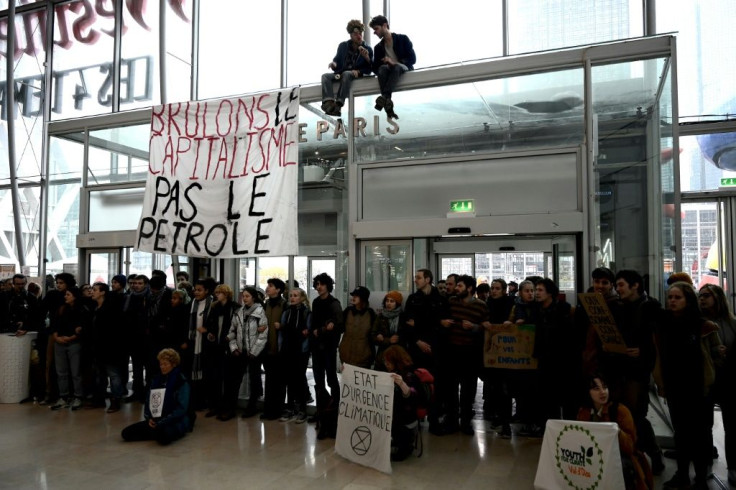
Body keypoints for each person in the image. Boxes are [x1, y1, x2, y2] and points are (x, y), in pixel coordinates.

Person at [658, 282, 723, 490]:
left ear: (688, 300)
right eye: (670, 297)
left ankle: (701, 477)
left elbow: (716, 355)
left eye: (677, 297)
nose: (672, 301)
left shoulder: (703, 325)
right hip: (676, 387)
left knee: (701, 434)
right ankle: (682, 474)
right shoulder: (664, 323)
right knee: (681, 433)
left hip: (700, 388)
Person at [577, 374, 653, 490]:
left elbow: (630, 448)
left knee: (620, 466)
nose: (603, 392)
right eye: (596, 388)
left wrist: (617, 432)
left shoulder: (620, 410)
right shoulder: (584, 412)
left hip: (620, 458)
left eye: (604, 387)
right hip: (595, 456)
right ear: (588, 392)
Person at [440, 274, 488, 435]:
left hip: (470, 353)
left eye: (459, 286)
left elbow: (485, 327)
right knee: (450, 389)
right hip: (452, 351)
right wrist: (442, 322)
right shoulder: (451, 302)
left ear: (469, 288)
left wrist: (474, 327)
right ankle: (452, 421)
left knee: (468, 390)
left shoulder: (481, 306)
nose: (456, 288)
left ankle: (466, 422)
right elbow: (441, 318)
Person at [698, 284, 735, 485]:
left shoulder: (731, 322)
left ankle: (733, 467)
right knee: (705, 425)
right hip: (706, 379)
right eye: (700, 295)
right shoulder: (697, 323)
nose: (702, 299)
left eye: (707, 295)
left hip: (728, 379)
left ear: (717, 298)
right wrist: (713, 352)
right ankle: (705, 467)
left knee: (732, 426)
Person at [403, 269, 448, 435]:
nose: (415, 280)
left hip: (436, 349)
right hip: (417, 349)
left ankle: (434, 420)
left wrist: (422, 324)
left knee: (435, 386)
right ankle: (416, 419)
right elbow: (407, 324)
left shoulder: (441, 300)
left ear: (428, 279)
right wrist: (418, 341)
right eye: (415, 277)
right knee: (417, 384)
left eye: (419, 277)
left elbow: (444, 324)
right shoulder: (413, 299)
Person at [121, 348, 194, 445]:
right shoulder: (156, 380)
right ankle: (155, 431)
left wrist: (163, 421)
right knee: (126, 433)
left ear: (173, 364)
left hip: (174, 420)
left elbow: (181, 408)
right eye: (161, 364)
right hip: (156, 419)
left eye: (165, 364)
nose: (162, 367)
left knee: (164, 436)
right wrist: (149, 418)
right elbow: (148, 401)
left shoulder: (181, 381)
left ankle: (157, 432)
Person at [223, 287, 267, 420]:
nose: (244, 298)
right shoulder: (239, 312)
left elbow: (263, 334)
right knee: (234, 380)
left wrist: (254, 352)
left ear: (253, 297)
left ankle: (252, 407)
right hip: (240, 352)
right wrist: (233, 347)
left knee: (254, 380)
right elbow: (232, 332)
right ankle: (230, 408)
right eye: (243, 296)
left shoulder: (260, 312)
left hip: (253, 353)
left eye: (247, 296)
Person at [320, 19, 373, 118]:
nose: (359, 36)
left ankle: (339, 104)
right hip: (340, 74)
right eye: (355, 34)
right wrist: (334, 64)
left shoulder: (368, 49)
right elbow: (337, 60)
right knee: (325, 76)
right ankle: (329, 103)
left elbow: (370, 68)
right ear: (351, 35)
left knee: (347, 74)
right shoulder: (343, 46)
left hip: (354, 75)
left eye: (360, 33)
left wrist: (363, 65)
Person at [50, 286, 90, 411]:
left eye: (68, 294)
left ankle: (78, 396)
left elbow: (83, 327)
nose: (65, 296)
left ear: (75, 296)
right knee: (61, 371)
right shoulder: (62, 309)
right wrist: (56, 337)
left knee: (75, 371)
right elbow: (54, 324)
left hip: (74, 343)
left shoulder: (82, 310)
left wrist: (71, 337)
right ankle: (64, 396)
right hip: (60, 342)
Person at [309, 273, 343, 420]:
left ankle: (336, 410)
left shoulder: (334, 303)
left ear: (328, 285)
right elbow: (314, 324)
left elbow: (339, 324)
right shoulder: (316, 302)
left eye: (321, 284)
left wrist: (325, 329)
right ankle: (321, 410)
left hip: (328, 347)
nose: (318, 287)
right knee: (318, 380)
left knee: (331, 379)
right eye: (317, 284)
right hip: (316, 346)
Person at [203, 284, 239, 420]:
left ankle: (228, 408)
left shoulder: (234, 307)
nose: (217, 294)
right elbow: (210, 325)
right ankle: (216, 406)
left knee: (229, 379)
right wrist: (210, 334)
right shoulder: (214, 307)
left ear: (226, 293)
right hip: (216, 346)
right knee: (215, 378)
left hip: (229, 346)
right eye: (216, 292)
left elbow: (236, 328)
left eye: (220, 292)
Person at [369, 14, 415, 119]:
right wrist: (385, 63)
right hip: (389, 72)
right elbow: (376, 69)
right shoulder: (378, 48)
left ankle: (384, 97)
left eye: (376, 28)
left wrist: (394, 62)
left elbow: (412, 59)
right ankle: (387, 100)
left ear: (385, 25)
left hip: (403, 68)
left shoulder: (402, 39)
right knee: (382, 68)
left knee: (397, 67)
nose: (374, 32)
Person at [89, 282, 126, 413]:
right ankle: (99, 398)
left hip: (110, 347)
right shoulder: (95, 307)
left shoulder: (110, 308)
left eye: (94, 290)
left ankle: (116, 399)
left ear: (103, 292)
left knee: (113, 374)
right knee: (100, 374)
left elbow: (114, 330)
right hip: (98, 347)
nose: (91, 292)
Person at [278, 287, 311, 423]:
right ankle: (290, 408)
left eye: (295, 295)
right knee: (289, 379)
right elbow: (283, 330)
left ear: (302, 298)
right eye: (290, 295)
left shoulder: (306, 313)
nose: (292, 298)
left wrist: (305, 343)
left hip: (300, 350)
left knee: (300, 379)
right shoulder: (287, 312)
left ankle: (302, 409)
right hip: (287, 349)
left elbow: (307, 331)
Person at [383, 345, 420, 462]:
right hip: (396, 414)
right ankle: (399, 440)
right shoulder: (390, 372)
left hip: (406, 417)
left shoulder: (410, 374)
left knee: (396, 420)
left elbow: (413, 397)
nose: (386, 364)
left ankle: (405, 445)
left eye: (388, 361)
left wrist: (402, 384)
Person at [261, 278, 288, 420]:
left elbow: (288, 325)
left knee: (279, 381)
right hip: (266, 347)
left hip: (279, 348)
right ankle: (268, 409)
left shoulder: (285, 305)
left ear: (278, 289)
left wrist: (282, 327)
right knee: (269, 380)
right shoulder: (266, 304)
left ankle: (278, 409)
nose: (268, 288)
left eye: (271, 286)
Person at [187, 278, 215, 410]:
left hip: (206, 345)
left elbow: (215, 325)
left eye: (200, 290)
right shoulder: (192, 303)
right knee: (193, 373)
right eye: (195, 290)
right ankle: (195, 401)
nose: (196, 292)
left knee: (206, 373)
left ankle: (205, 401)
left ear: (207, 291)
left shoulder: (213, 304)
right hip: (193, 343)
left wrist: (208, 330)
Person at [339, 286, 376, 369]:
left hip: (363, 358)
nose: (353, 297)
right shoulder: (348, 311)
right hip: (346, 356)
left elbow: (373, 334)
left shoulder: (370, 314)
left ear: (363, 298)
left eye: (357, 296)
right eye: (353, 295)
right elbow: (340, 327)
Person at [372, 290, 406, 371]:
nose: (388, 303)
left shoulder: (403, 317)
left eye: (392, 301)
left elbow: (408, 335)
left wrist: (399, 338)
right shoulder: (380, 317)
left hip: (399, 356)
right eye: (387, 301)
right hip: (383, 356)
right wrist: (387, 340)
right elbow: (372, 335)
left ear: (397, 303)